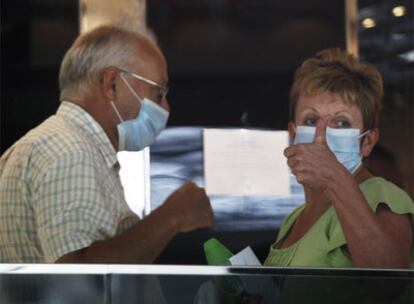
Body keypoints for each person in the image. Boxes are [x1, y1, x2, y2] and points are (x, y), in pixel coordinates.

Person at [0, 25, 214, 263]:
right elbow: (79, 279)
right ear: (112, 83)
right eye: (158, 92)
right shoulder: (71, 150)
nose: (165, 107)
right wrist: (172, 216)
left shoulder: (50, 144)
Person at [264, 48, 414, 269]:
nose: (321, 134)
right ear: (293, 133)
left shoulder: (384, 198)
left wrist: (335, 177)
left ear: (367, 142)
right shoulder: (294, 217)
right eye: (311, 119)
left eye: (342, 122)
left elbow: (388, 283)